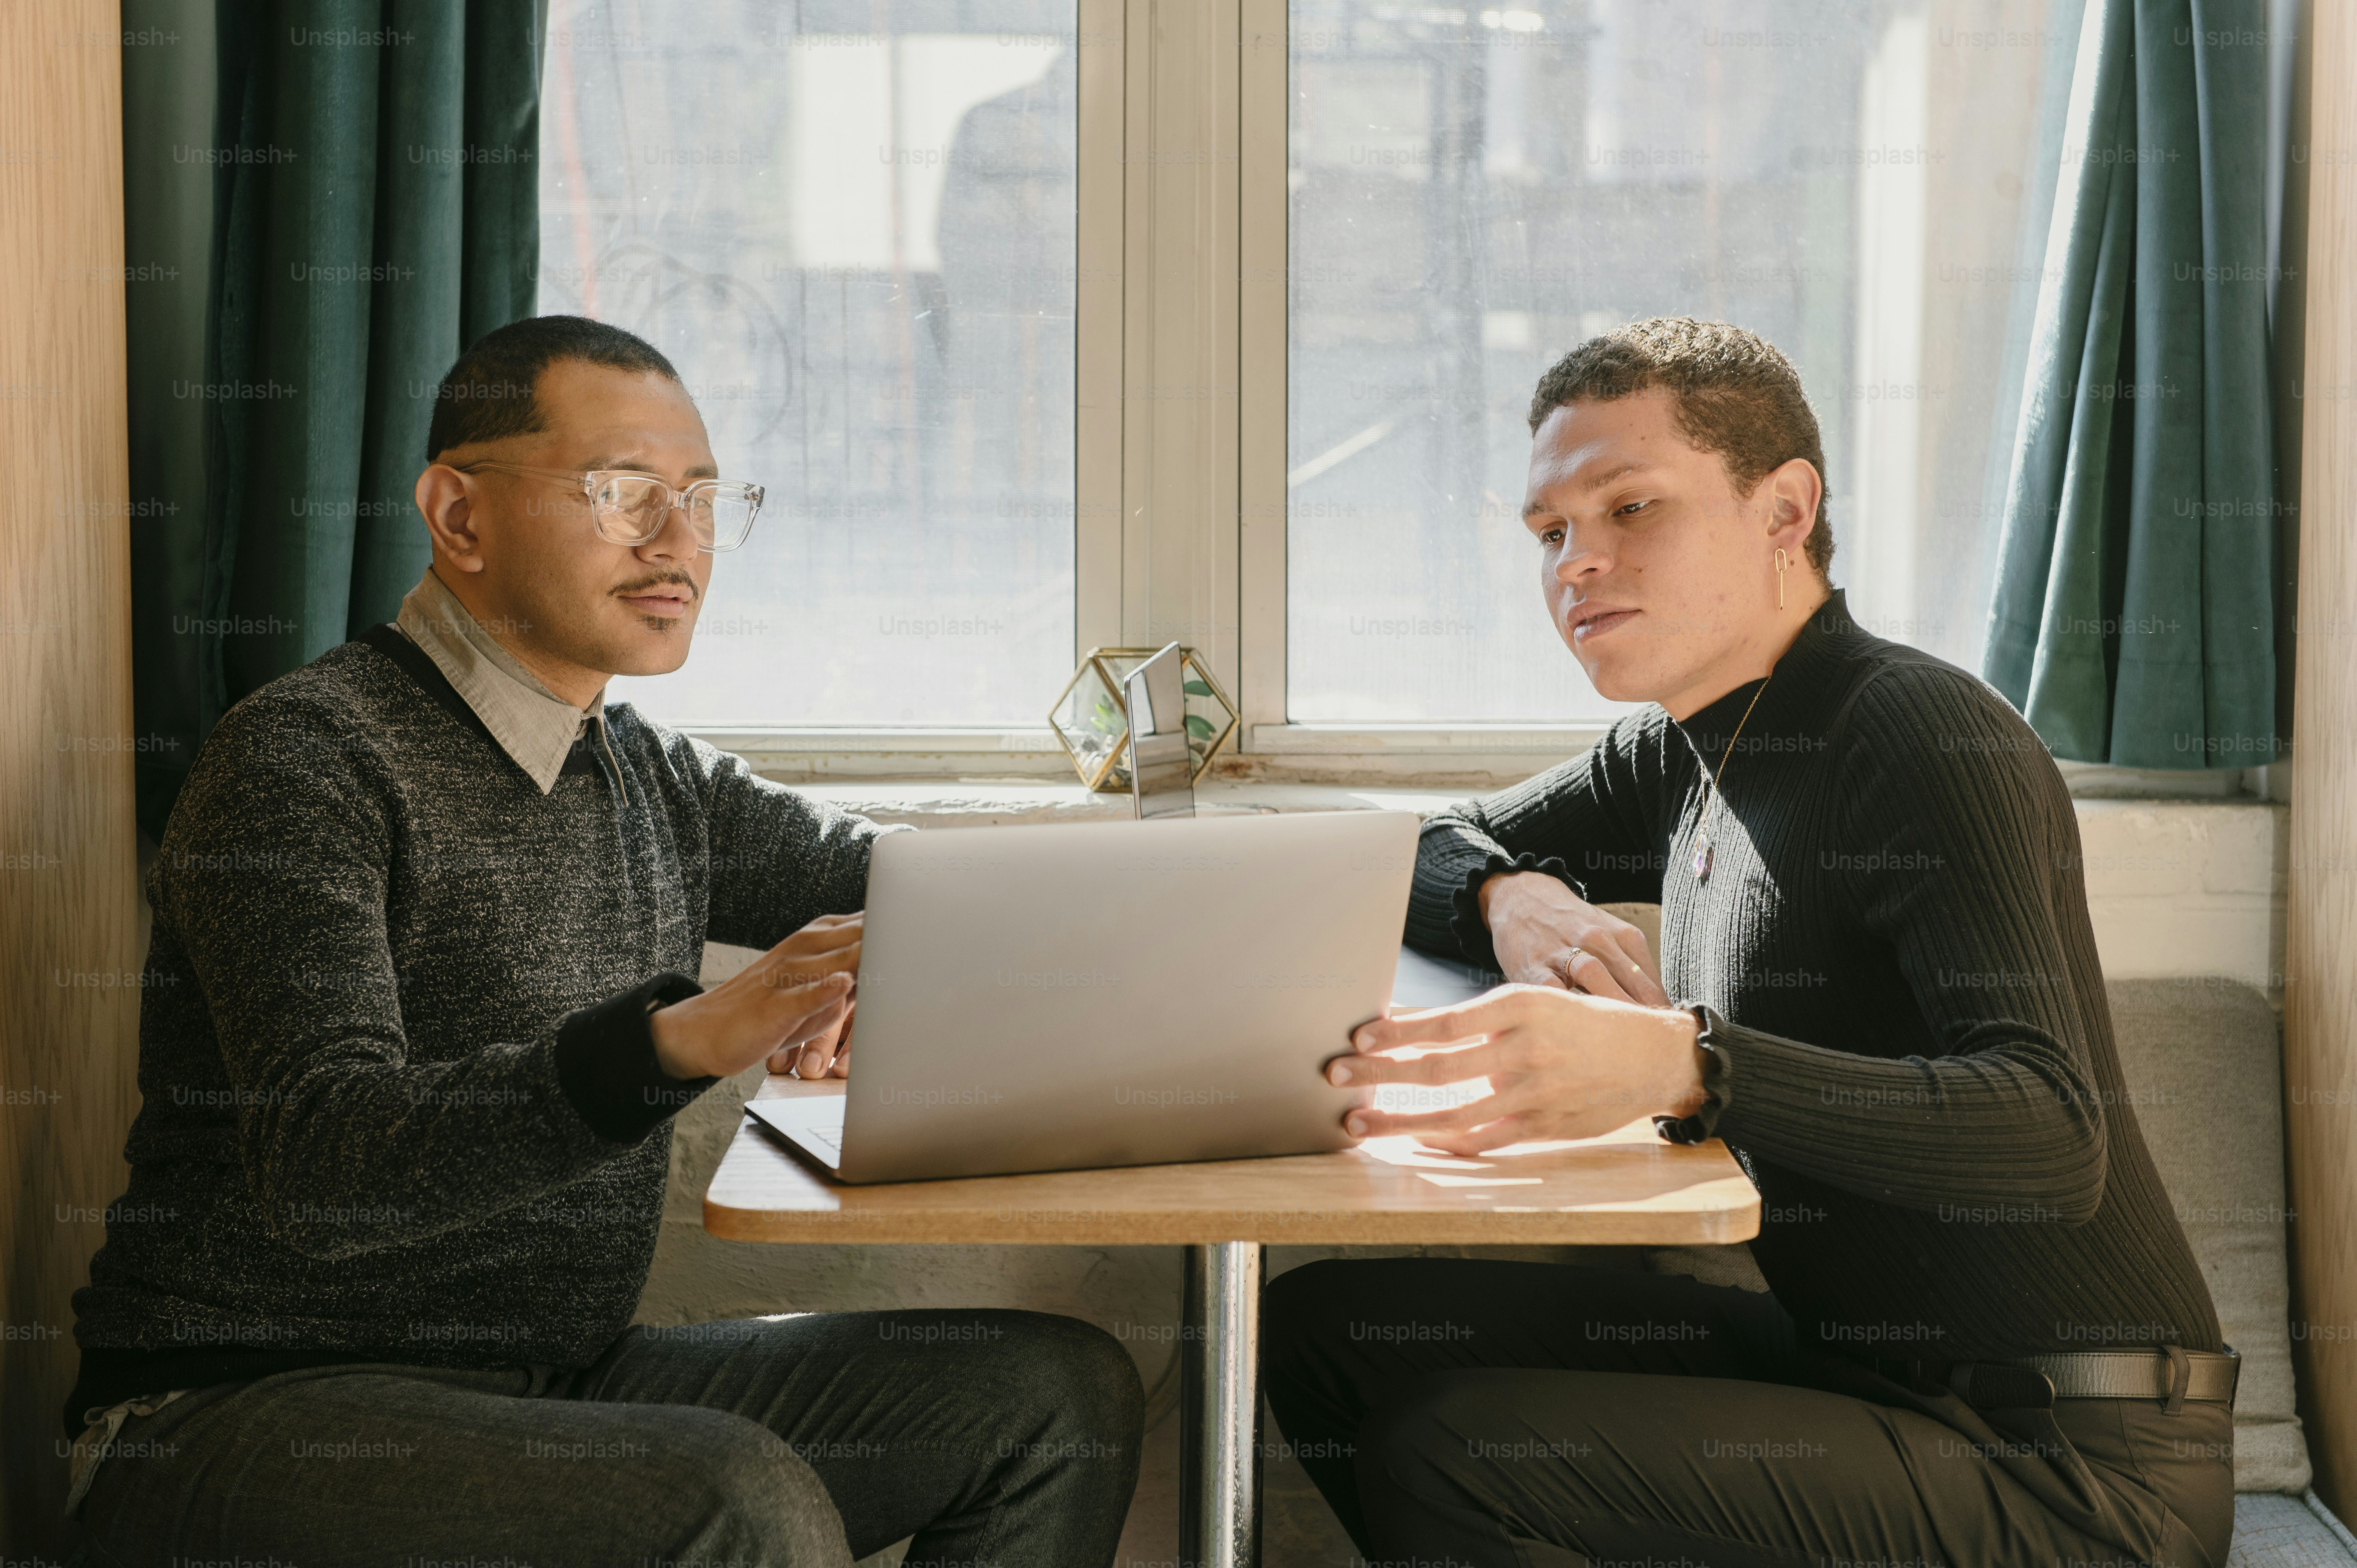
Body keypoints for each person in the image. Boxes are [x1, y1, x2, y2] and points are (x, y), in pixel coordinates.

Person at [65, 315, 1141, 1568]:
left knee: (1053, 1402)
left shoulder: (653, 778)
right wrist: (672, 1045)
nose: (679, 542)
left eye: (704, 499)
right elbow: (328, 1167)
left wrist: (924, 958)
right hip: (240, 1411)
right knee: (737, 1501)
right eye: (624, 492)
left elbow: (926, 892)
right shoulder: (302, 760)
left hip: (553, 1388)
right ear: (459, 516)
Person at [1265, 317, 2236, 1568]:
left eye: (1631, 508)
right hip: (1865, 1379)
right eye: (1551, 532)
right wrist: (1508, 895)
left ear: (1784, 512)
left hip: (2078, 1468)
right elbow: (1406, 846)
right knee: (1332, 1331)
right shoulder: (1680, 752)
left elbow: (2052, 1133)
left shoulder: (1920, 734)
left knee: (1451, 1448)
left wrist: (1688, 1066)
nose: (1577, 563)